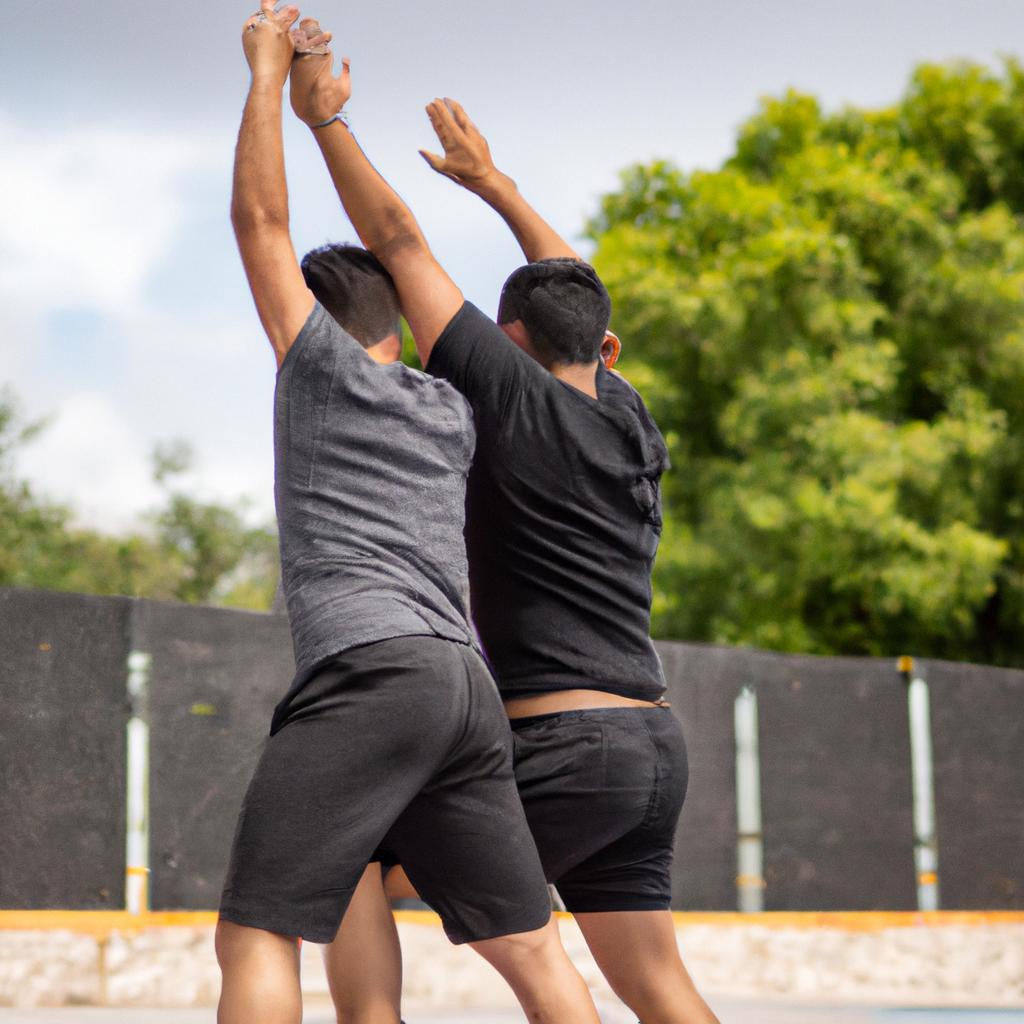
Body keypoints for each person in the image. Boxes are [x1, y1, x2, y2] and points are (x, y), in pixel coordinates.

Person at [287, 29, 721, 1023]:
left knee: (345, 854)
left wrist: (326, 120)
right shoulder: (628, 414)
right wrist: (497, 185)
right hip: (651, 746)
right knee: (656, 983)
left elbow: (398, 244)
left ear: (509, 343)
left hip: (561, 743)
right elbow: (573, 289)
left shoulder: (510, 397)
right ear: (604, 348)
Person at [216, 7, 602, 1023]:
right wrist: (332, 121)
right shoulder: (457, 403)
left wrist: (266, 77)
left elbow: (261, 226)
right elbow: (575, 312)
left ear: (321, 325)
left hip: (372, 668)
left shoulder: (323, 373)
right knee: (532, 951)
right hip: (462, 693)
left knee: (257, 931)